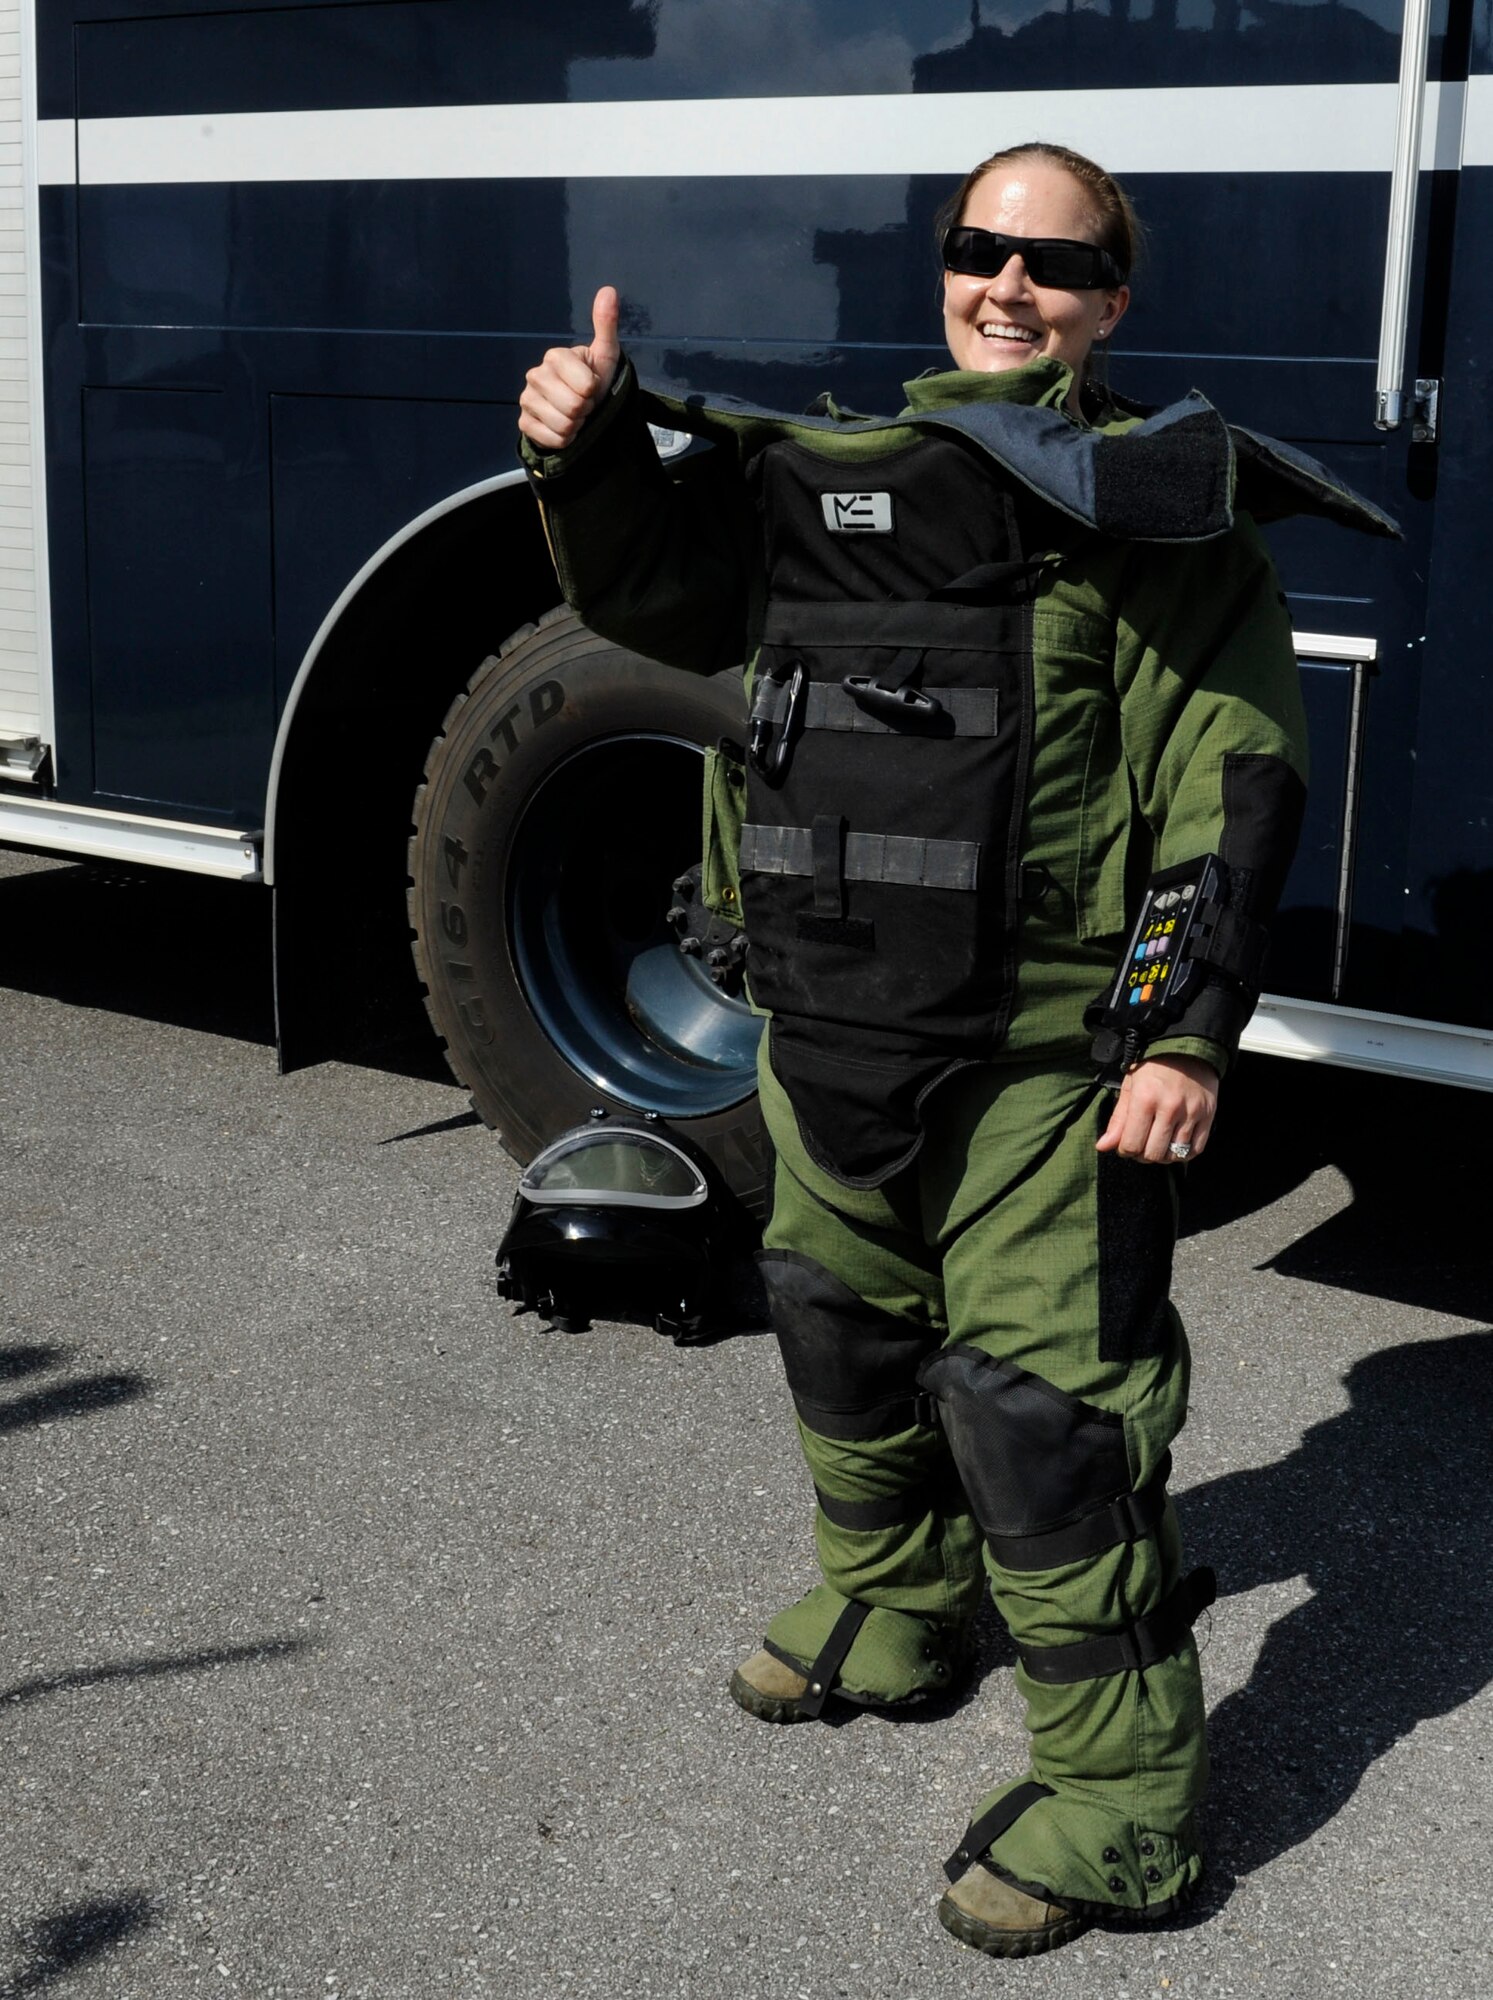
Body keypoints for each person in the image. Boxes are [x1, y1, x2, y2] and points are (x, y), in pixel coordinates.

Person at [516, 143, 1392, 1959]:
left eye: (1054, 264)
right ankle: (896, 1609)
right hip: (823, 1033)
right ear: (943, 267)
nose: (1010, 286)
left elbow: (1230, 786)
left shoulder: (1156, 515)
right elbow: (655, 600)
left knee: (1040, 1417)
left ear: (1111, 300)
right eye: (981, 248)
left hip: (1039, 1070)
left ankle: (1125, 1807)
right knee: (833, 1334)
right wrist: (581, 452)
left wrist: (1182, 1036)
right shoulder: (830, 486)